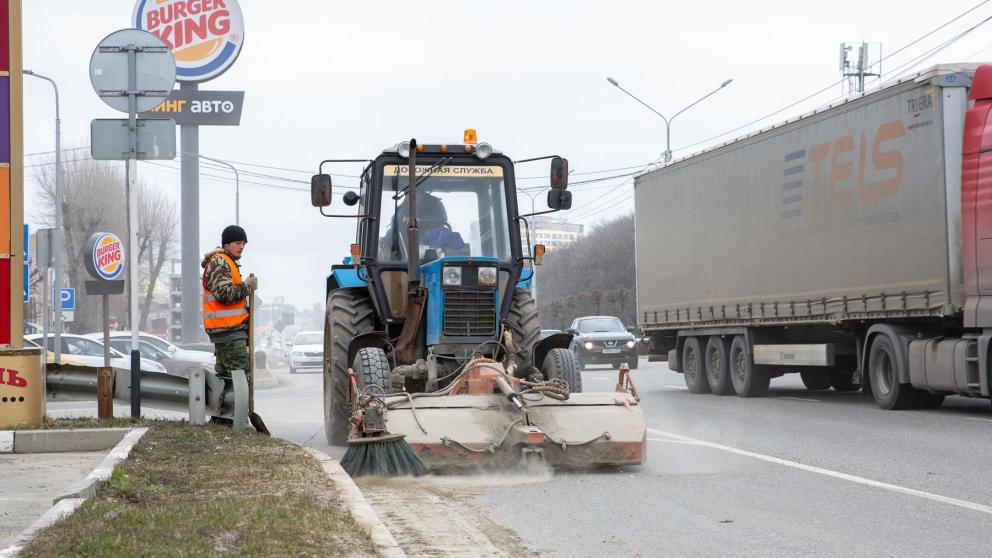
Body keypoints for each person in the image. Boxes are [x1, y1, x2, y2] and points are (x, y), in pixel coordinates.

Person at [201, 225, 257, 382]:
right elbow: (225, 294)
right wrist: (247, 286)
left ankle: (228, 407)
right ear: (226, 244)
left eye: (244, 244)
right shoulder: (219, 262)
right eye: (237, 243)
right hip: (229, 332)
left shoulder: (227, 262)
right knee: (240, 382)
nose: (241, 247)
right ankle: (236, 408)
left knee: (228, 382)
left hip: (227, 332)